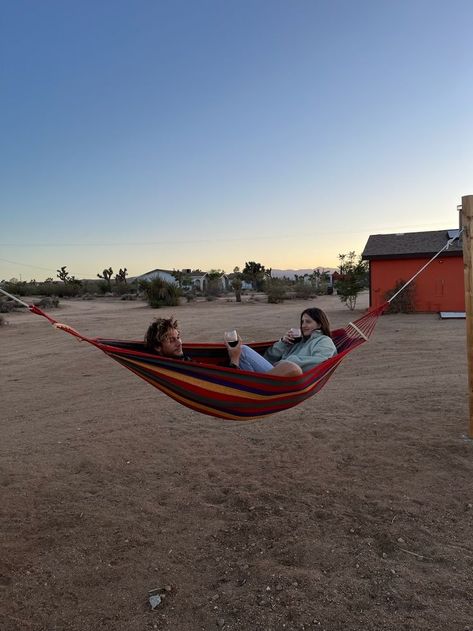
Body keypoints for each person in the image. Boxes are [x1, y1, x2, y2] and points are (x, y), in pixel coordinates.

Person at [224, 307, 337, 376]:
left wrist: (286, 362)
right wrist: (283, 343)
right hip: (274, 374)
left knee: (243, 350)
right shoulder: (299, 341)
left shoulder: (324, 341)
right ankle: (248, 385)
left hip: (286, 378)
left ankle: (247, 382)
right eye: (302, 322)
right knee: (243, 352)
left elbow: (322, 361)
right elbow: (268, 358)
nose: (303, 325)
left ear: (320, 324)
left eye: (308, 322)